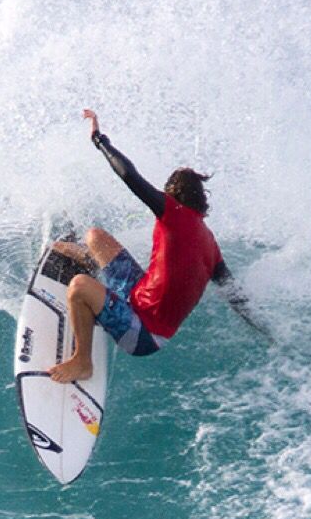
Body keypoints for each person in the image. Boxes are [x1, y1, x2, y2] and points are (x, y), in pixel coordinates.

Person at [46, 109, 234, 383]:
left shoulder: (174, 211)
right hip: (138, 295)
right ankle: (92, 275)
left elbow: (128, 175)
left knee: (78, 286)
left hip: (143, 334)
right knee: (95, 237)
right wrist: (265, 329)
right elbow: (236, 295)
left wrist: (100, 141)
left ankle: (82, 361)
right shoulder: (211, 245)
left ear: (172, 194)